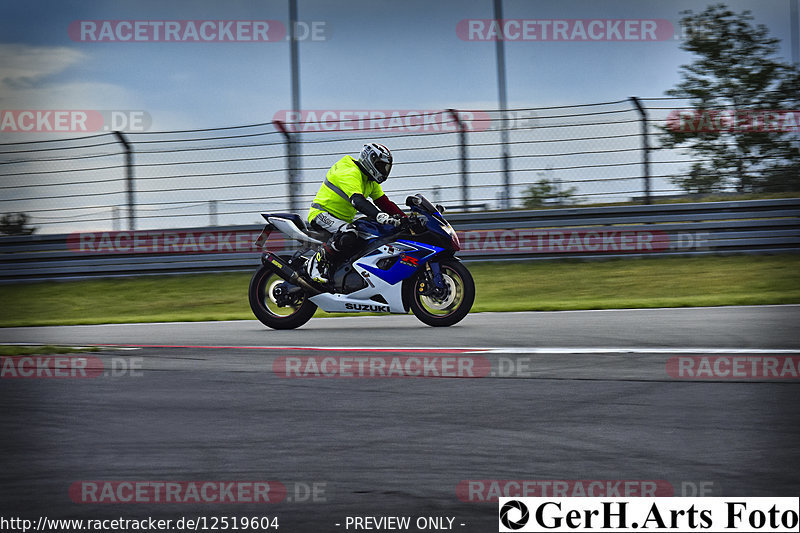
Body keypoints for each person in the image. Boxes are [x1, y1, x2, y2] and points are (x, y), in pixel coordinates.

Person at [306, 143, 406, 283]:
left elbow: (384, 202)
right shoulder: (349, 171)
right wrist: (379, 216)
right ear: (369, 160)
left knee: (365, 236)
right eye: (381, 165)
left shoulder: (370, 181)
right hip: (322, 213)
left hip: (342, 220)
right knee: (349, 233)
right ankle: (315, 264)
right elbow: (357, 201)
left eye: (386, 167)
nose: (383, 170)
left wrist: (406, 219)